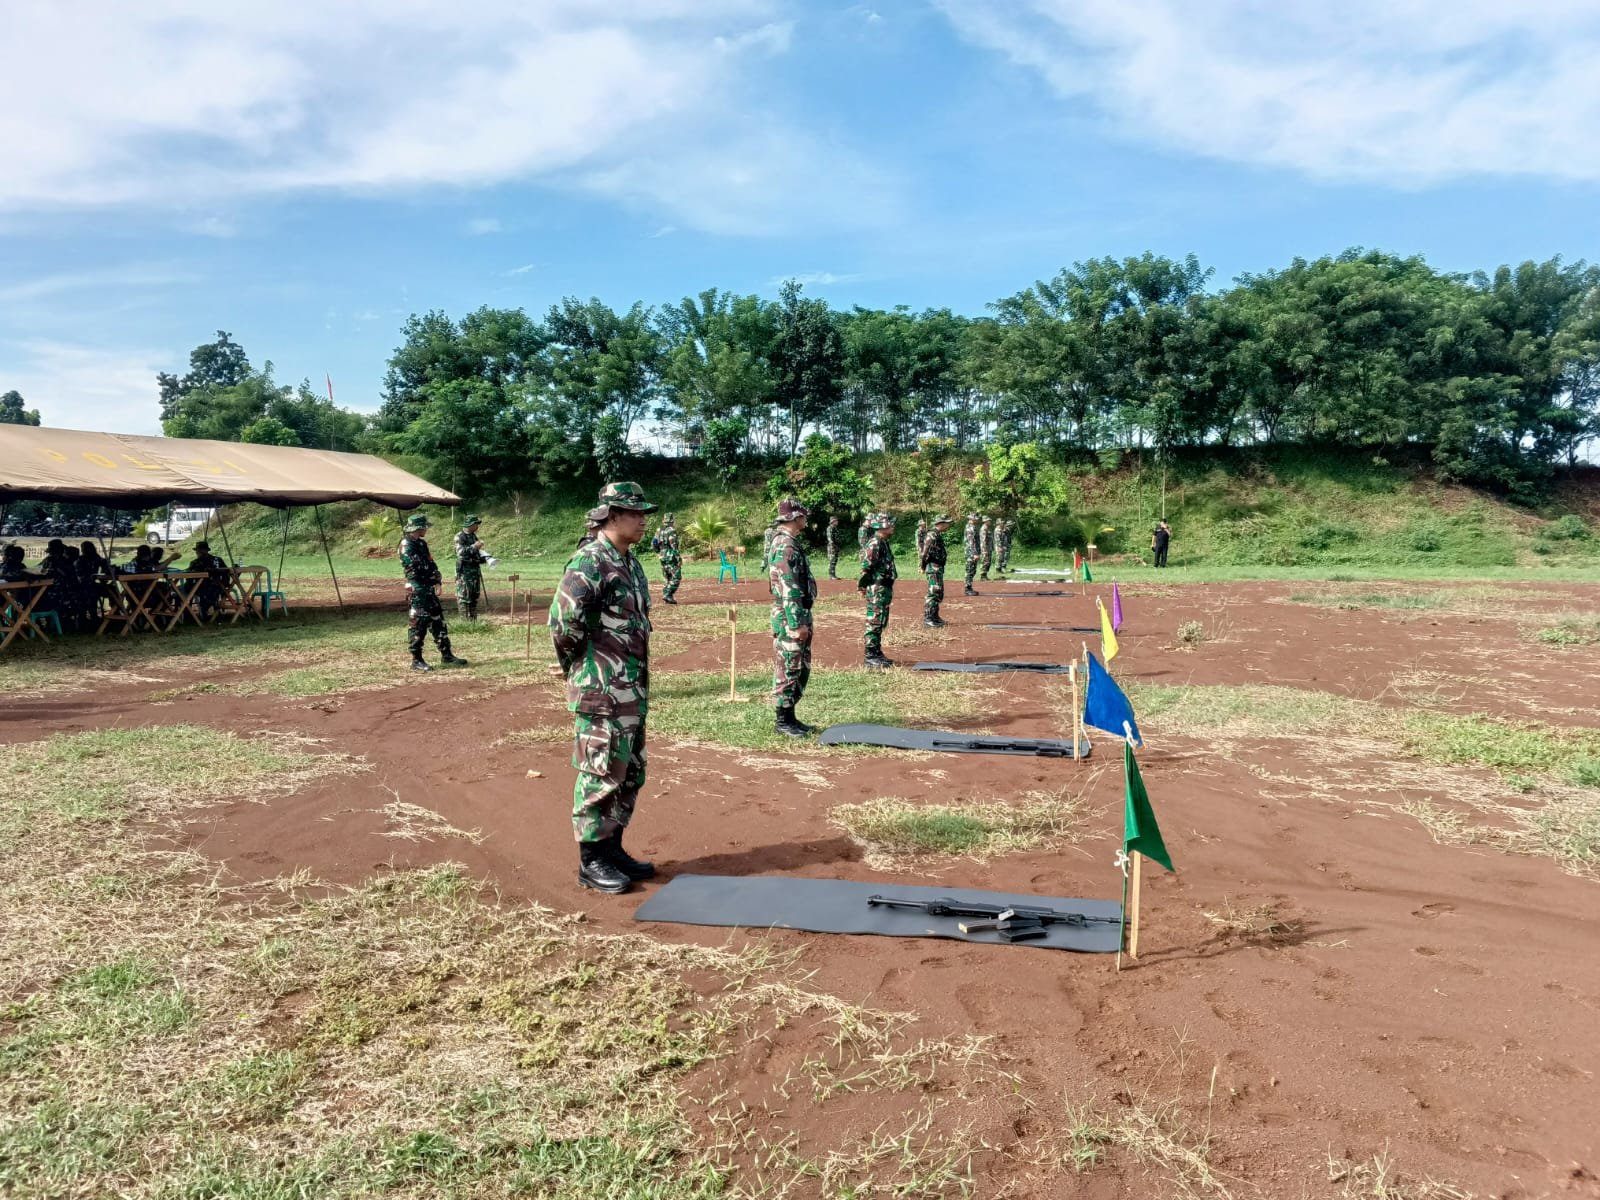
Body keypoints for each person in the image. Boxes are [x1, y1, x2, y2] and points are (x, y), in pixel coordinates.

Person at [549, 481, 659, 894]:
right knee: (600, 771)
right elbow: (563, 624)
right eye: (635, 513)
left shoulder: (630, 563)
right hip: (601, 688)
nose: (643, 521)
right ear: (612, 516)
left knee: (628, 771)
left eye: (643, 513)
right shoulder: (590, 561)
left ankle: (611, 848)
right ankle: (591, 858)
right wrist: (582, 669)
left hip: (631, 689)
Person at [768, 498, 818, 738]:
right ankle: (783, 720)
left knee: (798, 666)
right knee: (789, 666)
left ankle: (790, 717)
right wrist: (797, 624)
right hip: (790, 616)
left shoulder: (788, 542)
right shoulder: (785, 546)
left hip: (795, 612)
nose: (805, 519)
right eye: (803, 515)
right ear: (795, 518)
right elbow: (788, 587)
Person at [399, 514, 468, 673]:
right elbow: (417, 567)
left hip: (428, 587)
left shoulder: (421, 543)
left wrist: (437, 580)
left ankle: (447, 655)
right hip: (418, 588)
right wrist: (432, 577)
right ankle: (416, 660)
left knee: (438, 620)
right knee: (419, 623)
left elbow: (431, 563)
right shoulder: (406, 545)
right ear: (417, 528)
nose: (426, 530)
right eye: (424, 527)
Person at [858, 512, 898, 668]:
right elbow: (866, 567)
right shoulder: (875, 543)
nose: (893, 526)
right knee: (874, 620)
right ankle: (870, 655)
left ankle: (876, 651)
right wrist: (862, 586)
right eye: (890, 523)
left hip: (884, 587)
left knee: (881, 620)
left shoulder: (883, 542)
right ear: (881, 526)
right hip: (877, 588)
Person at [453, 515, 489, 620]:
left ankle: (473, 621)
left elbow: (475, 553)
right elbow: (461, 553)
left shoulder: (473, 536)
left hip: (474, 571)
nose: (477, 526)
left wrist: (484, 557)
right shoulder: (459, 536)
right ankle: (465, 621)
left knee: (474, 596)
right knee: (464, 596)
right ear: (471, 525)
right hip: (464, 572)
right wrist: (474, 547)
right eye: (476, 524)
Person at [921, 513, 952, 628]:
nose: (948, 525)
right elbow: (925, 553)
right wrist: (922, 566)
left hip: (938, 567)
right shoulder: (932, 535)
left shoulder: (936, 534)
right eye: (947, 523)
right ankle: (928, 618)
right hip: (933, 567)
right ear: (941, 524)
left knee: (938, 592)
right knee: (933, 592)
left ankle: (935, 616)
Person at [186, 540, 230, 622]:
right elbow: (226, 571)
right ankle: (210, 609)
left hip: (202, 588)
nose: (197, 552)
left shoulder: (196, 562)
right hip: (218, 587)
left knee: (187, 589)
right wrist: (225, 584)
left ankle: (189, 612)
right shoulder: (217, 560)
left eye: (198, 550)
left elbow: (188, 575)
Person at [655, 513, 682, 604]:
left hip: (662, 555)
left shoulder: (659, 530)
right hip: (671, 555)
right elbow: (674, 545)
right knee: (676, 576)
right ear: (672, 521)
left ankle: (667, 596)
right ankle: (668, 594)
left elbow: (654, 543)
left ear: (664, 520)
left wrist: (659, 551)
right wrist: (678, 558)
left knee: (667, 576)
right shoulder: (671, 530)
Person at [962, 514, 980, 595]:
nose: (977, 519)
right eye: (976, 518)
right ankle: (967, 589)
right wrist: (975, 553)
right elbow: (971, 542)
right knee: (969, 570)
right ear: (971, 519)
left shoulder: (973, 527)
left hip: (971, 552)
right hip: (970, 553)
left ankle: (969, 587)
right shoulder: (970, 528)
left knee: (972, 570)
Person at [979, 516, 994, 581]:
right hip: (985, 548)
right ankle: (983, 576)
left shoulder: (987, 528)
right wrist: (985, 550)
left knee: (988, 562)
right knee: (985, 562)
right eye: (989, 521)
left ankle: (985, 575)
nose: (990, 522)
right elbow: (983, 540)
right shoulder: (984, 529)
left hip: (988, 548)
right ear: (985, 521)